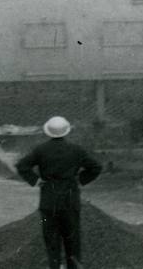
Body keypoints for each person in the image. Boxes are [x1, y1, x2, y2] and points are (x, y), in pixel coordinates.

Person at [16, 115, 102, 269]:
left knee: (51, 240)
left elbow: (22, 165)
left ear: (48, 131)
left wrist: (36, 180)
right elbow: (96, 167)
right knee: (72, 241)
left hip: (49, 200)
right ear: (66, 131)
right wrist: (80, 179)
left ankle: (54, 266)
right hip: (70, 200)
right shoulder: (77, 150)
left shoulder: (41, 150)